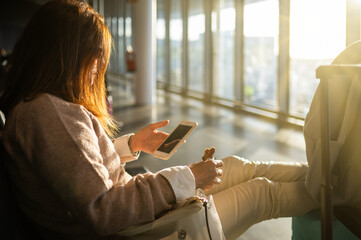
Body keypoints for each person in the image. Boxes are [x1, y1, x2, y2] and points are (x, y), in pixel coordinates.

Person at [0, 1, 319, 240]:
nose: (98, 69)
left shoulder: (39, 109)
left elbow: (75, 166)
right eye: (95, 57)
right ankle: (343, 192)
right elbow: (104, 209)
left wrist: (130, 144)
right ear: (67, 55)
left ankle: (326, 177)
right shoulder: (50, 112)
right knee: (262, 193)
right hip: (140, 229)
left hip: (137, 215)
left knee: (239, 166)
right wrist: (188, 177)